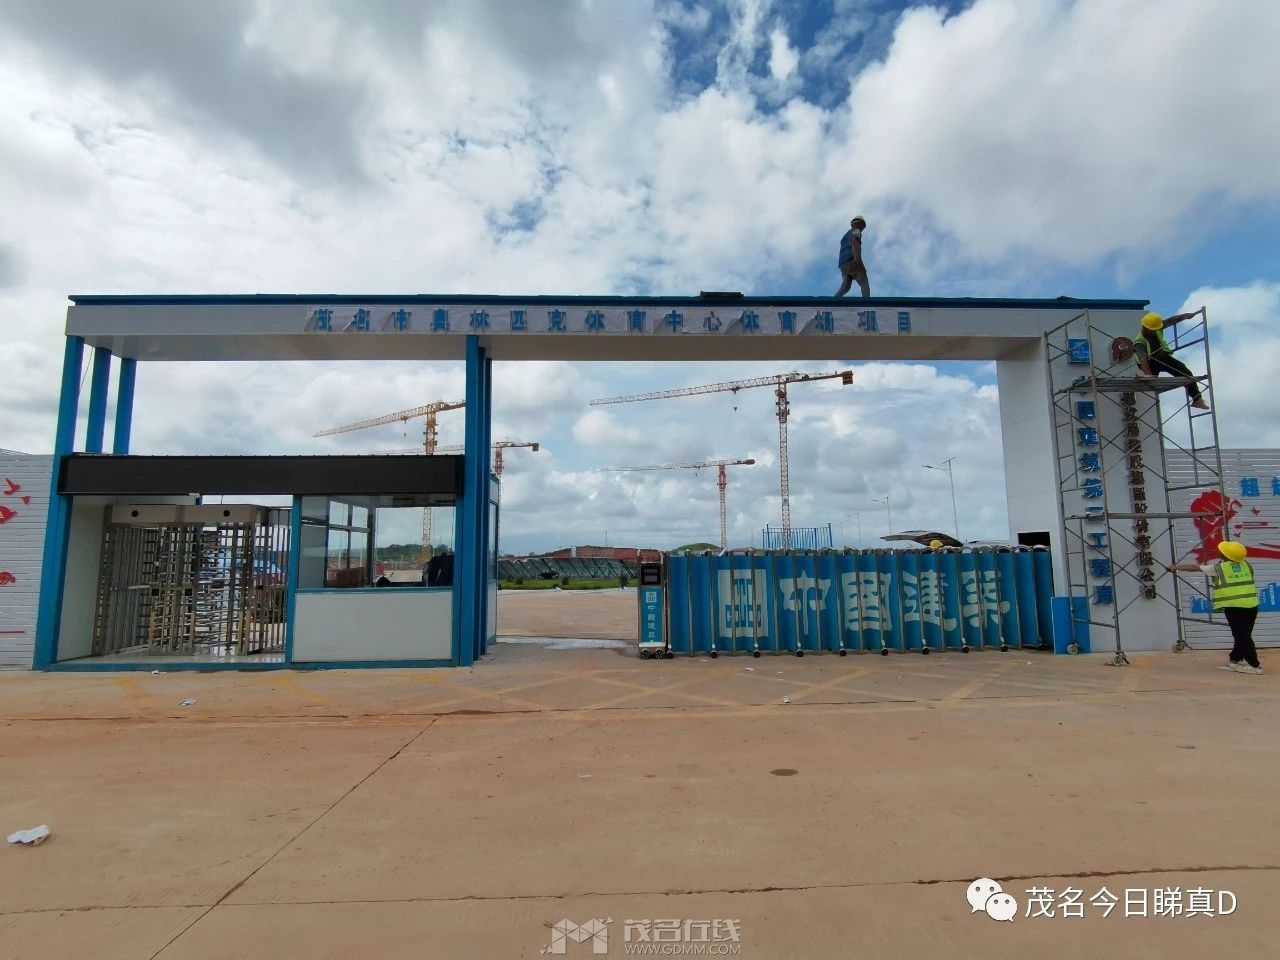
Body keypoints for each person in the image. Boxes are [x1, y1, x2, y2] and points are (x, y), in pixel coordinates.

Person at [1166, 540, 1262, 674]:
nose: (1218, 552)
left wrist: (1175, 567)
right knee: (1243, 635)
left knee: (1242, 636)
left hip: (1234, 607)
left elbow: (1195, 568)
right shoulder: (1247, 565)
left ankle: (1254, 665)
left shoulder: (1219, 568)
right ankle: (1236, 658)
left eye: (1221, 551)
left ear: (1226, 555)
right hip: (1251, 605)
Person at [1133, 310, 1208, 410]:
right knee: (1166, 364)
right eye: (1153, 330)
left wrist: (1186, 316)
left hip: (1161, 359)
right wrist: (1148, 375)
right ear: (1146, 328)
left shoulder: (1156, 327)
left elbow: (1171, 320)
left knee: (1186, 373)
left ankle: (1197, 400)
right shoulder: (1139, 341)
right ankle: (1147, 376)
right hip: (1151, 363)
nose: (1156, 331)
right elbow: (1143, 360)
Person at [835, 216, 870, 297]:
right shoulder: (856, 231)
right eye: (863, 226)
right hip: (853, 260)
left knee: (845, 286)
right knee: (864, 283)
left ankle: (833, 301)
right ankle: (867, 302)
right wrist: (857, 259)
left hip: (843, 265)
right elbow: (855, 242)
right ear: (861, 224)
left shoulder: (844, 237)